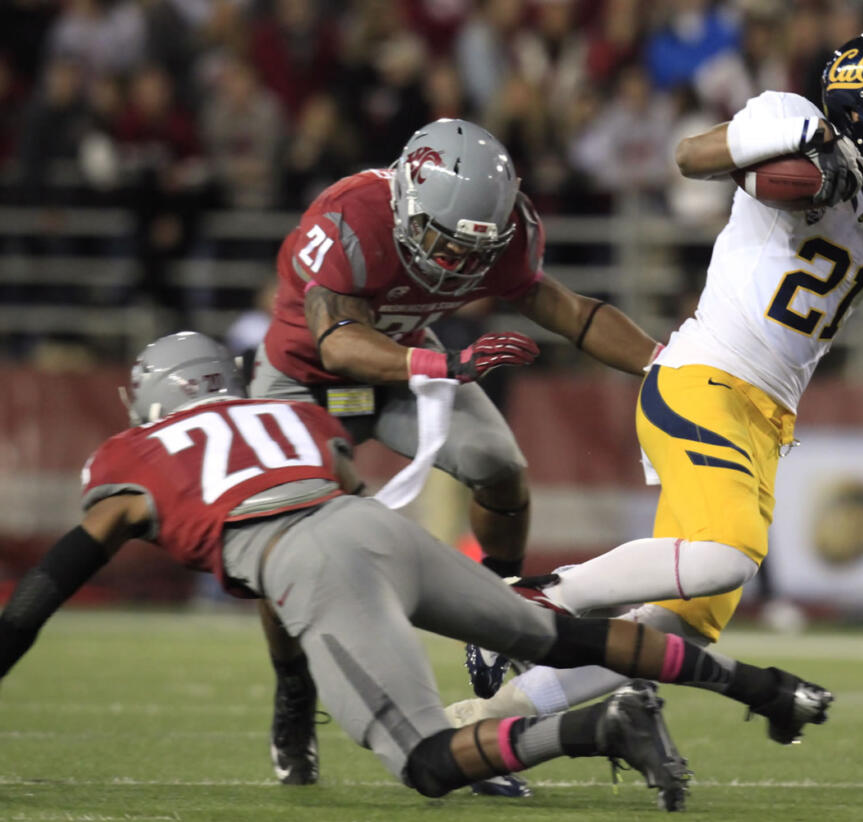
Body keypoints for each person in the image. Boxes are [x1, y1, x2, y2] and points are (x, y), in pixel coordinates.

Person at [449, 29, 863, 726]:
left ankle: (487, 723)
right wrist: (790, 144)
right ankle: (541, 599)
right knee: (725, 557)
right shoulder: (792, 124)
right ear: (861, 109)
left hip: (767, 414)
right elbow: (688, 157)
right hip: (704, 377)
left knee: (681, 624)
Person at [0, 332, 834, 812]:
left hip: (312, 561)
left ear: (155, 398)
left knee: (428, 764)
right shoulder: (288, 414)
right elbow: (341, 488)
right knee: (564, 635)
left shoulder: (133, 454)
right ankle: (767, 689)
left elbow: (51, 584)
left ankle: (597, 729)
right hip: (370, 527)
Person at [248, 118, 661, 786]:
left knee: (501, 470)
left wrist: (666, 364)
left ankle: (492, 607)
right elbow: (336, 342)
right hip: (306, 376)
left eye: (479, 250)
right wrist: (445, 363)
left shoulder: (506, 231)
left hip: (408, 364)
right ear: (408, 200)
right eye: (445, 241)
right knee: (285, 539)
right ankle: (293, 691)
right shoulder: (350, 215)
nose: (462, 265)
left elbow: (570, 311)